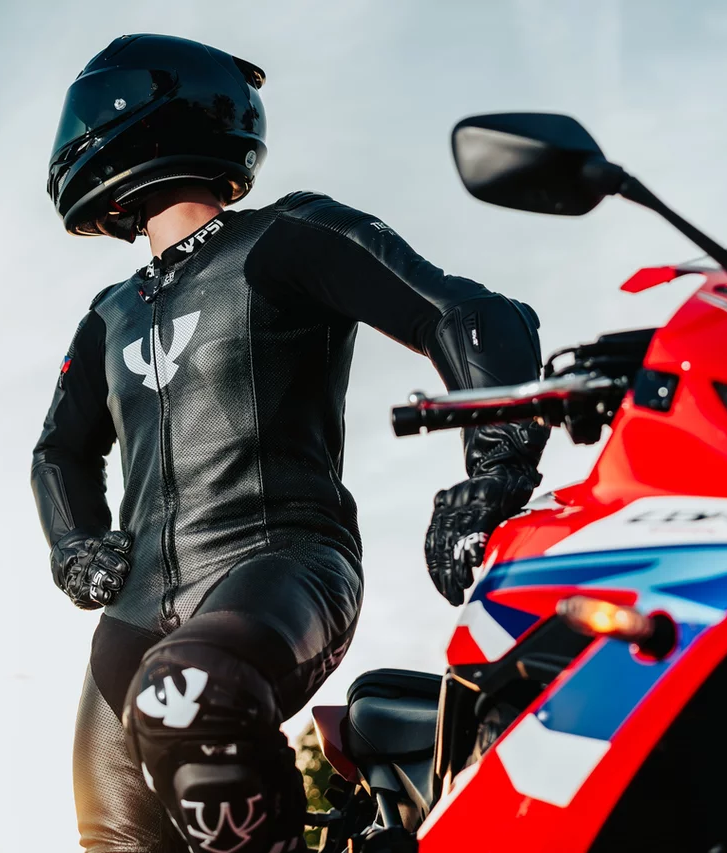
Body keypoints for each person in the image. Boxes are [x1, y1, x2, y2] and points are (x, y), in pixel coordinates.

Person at [34, 34, 548, 853]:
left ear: (131, 112)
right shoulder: (107, 314)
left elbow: (469, 315)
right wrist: (73, 543)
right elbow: (58, 452)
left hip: (279, 567)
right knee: (116, 837)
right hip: (129, 625)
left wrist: (494, 471)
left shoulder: (287, 235)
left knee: (189, 693)